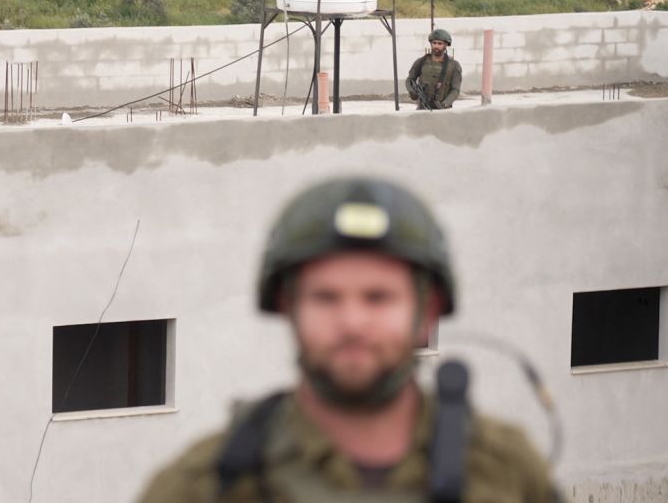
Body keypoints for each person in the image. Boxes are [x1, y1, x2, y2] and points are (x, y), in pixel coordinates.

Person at [136, 176, 559, 503]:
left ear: (426, 311)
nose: (352, 322)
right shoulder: (205, 483)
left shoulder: (504, 471)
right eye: (326, 298)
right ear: (288, 308)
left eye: (379, 298)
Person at [406, 29, 462, 110]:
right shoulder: (421, 62)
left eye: (440, 44)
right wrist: (412, 92)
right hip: (422, 108)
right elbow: (409, 80)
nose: (436, 46)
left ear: (446, 45)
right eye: (434, 43)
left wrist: (445, 104)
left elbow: (455, 90)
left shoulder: (454, 65)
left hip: (442, 109)